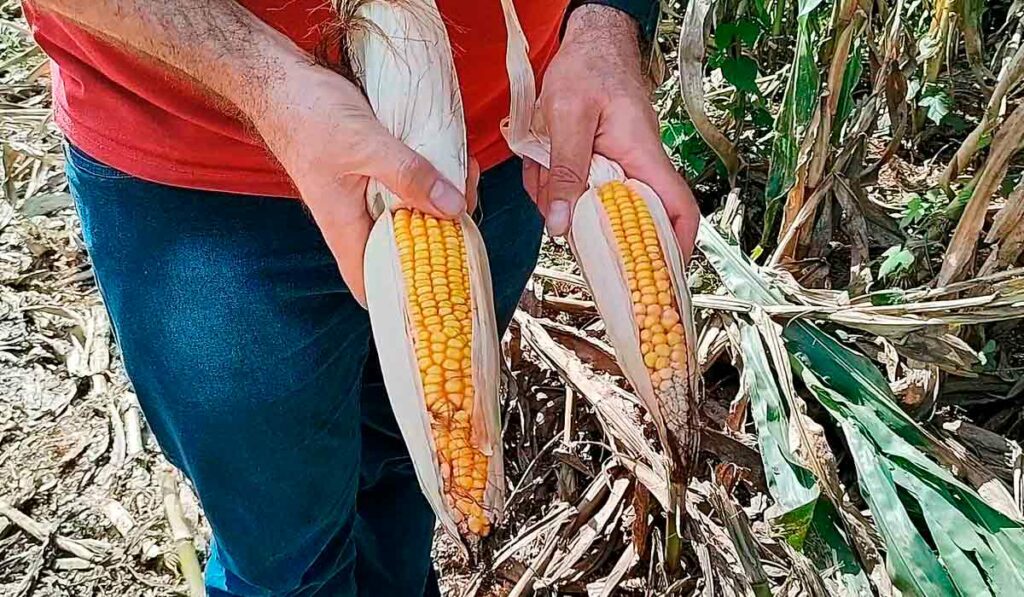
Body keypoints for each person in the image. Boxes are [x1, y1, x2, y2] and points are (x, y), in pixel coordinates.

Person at [21, 0, 699, 594]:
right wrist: (268, 85)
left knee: (407, 490)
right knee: (285, 552)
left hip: (486, 156)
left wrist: (606, 22)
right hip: (203, 180)